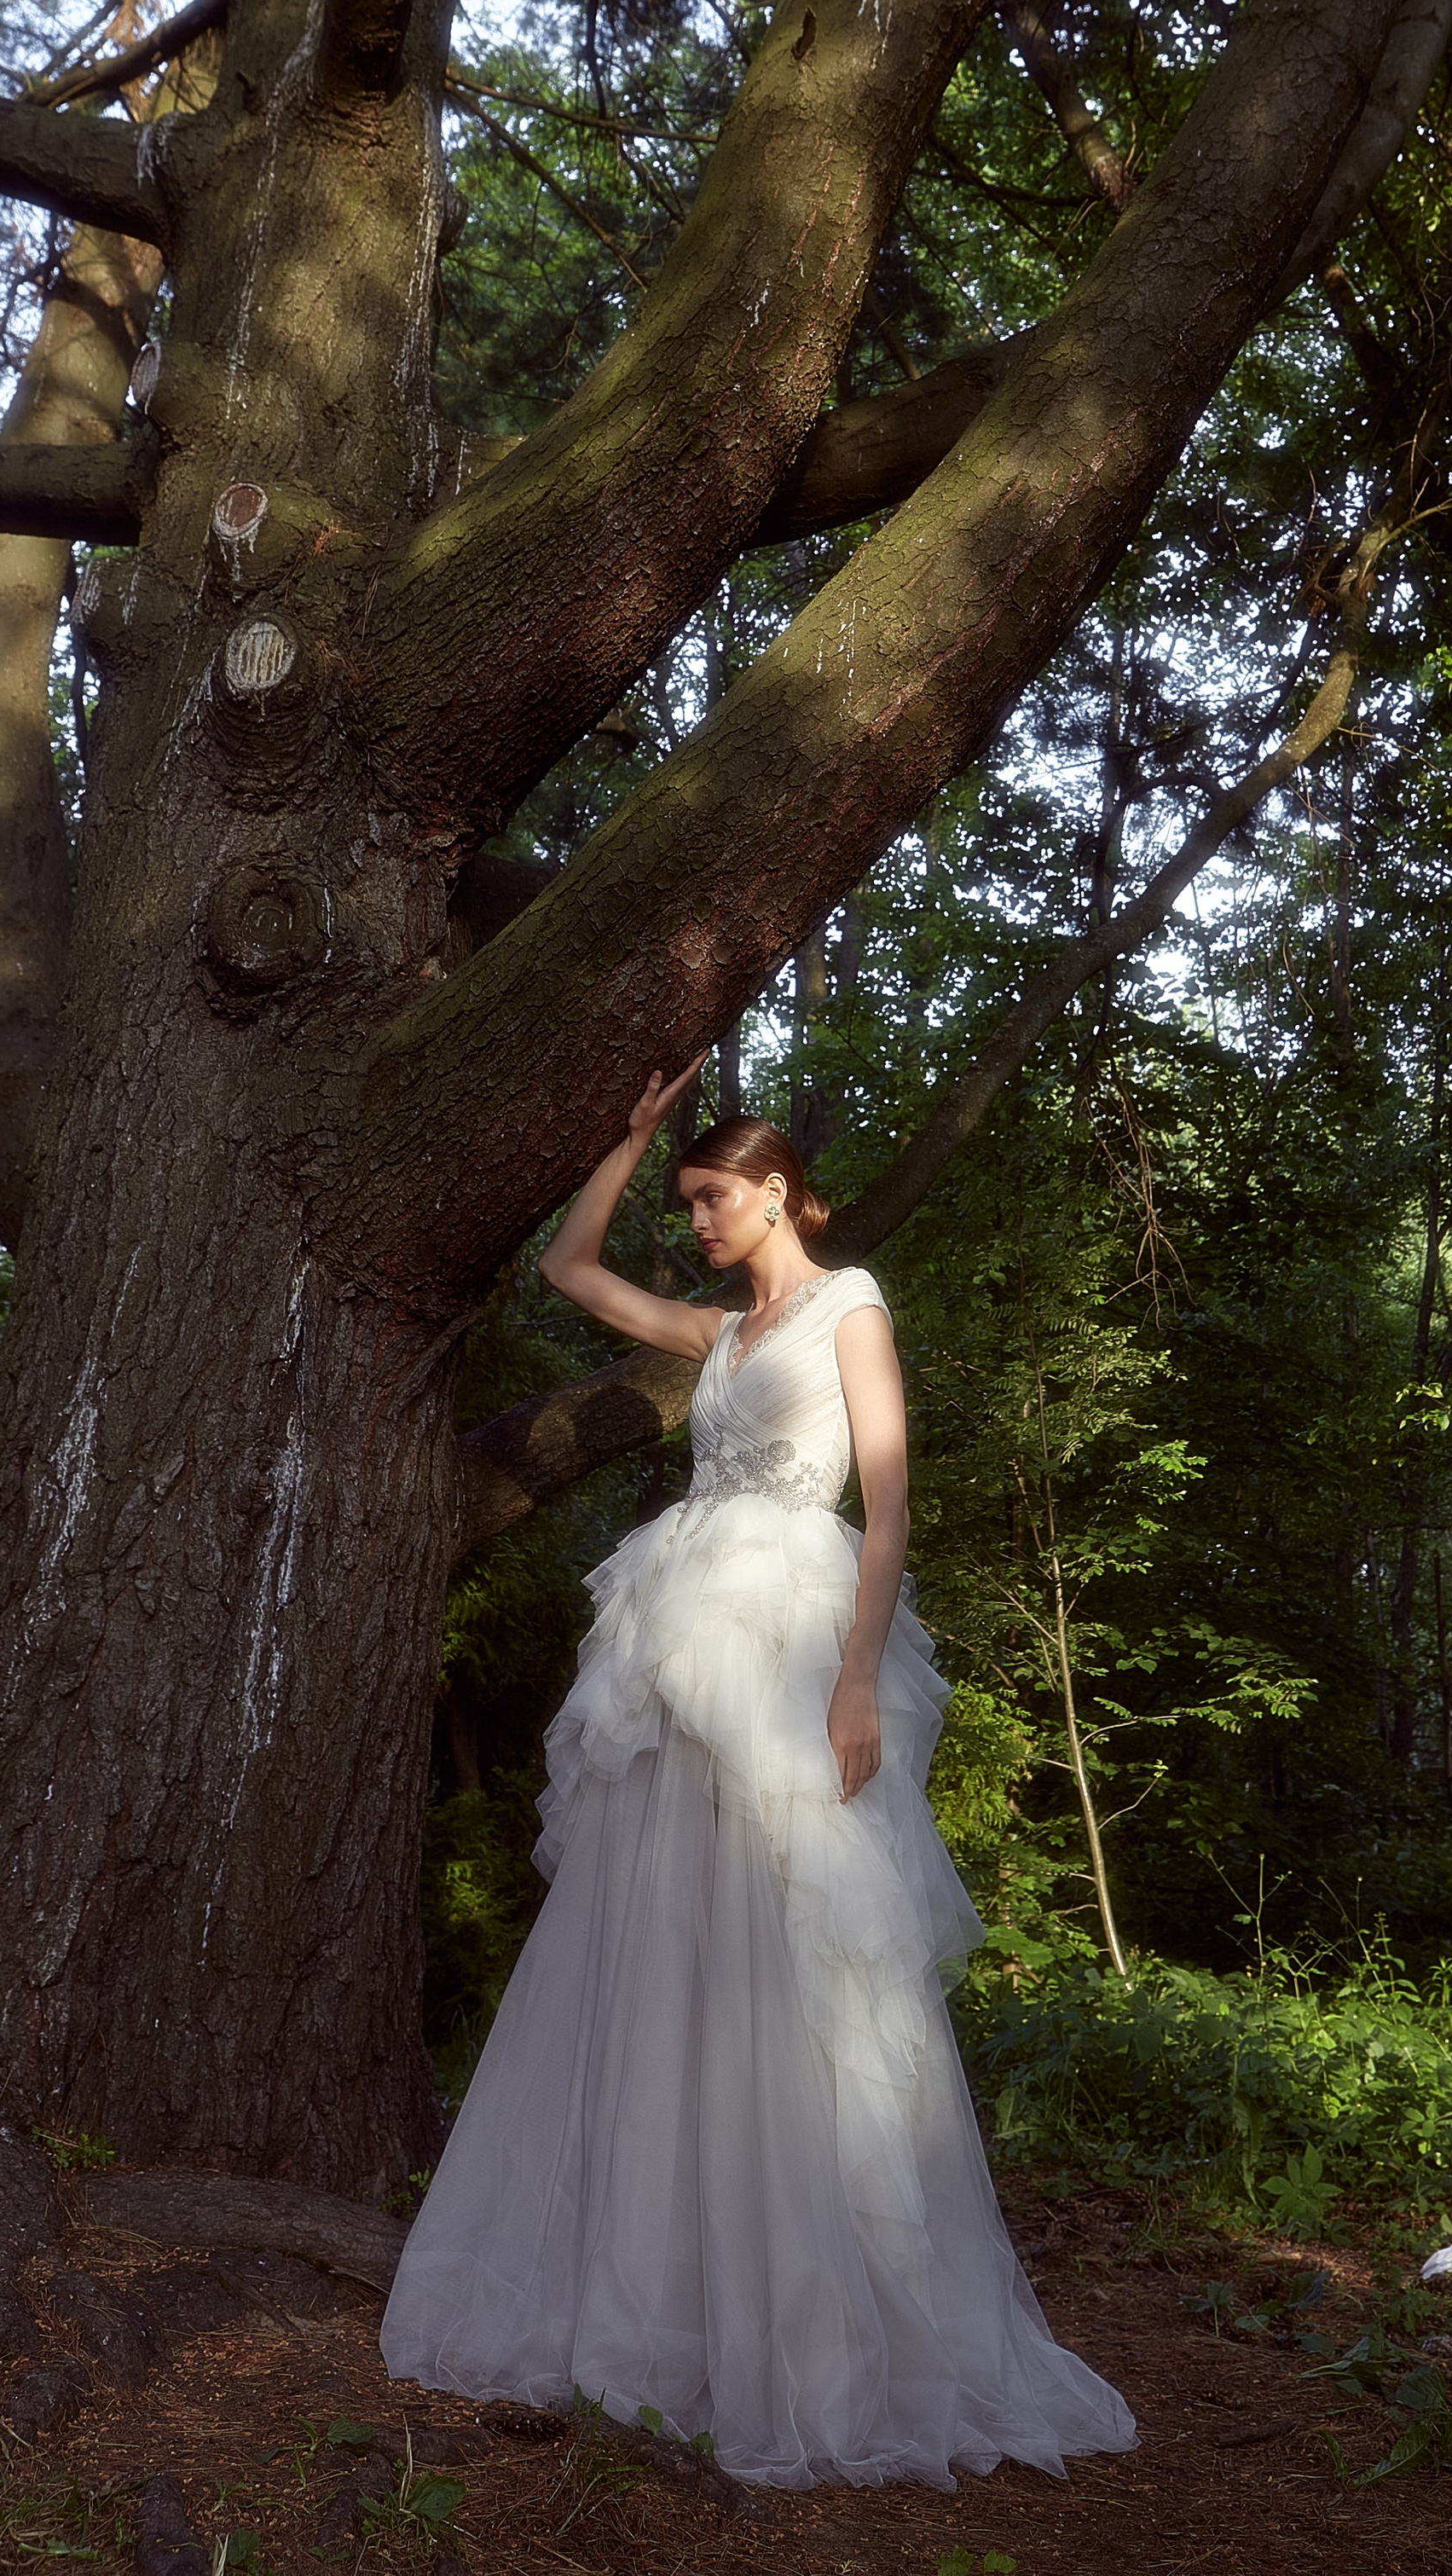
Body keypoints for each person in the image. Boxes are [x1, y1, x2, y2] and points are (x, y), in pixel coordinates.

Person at [381, 1065, 1137, 2492]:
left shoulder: (853, 1307)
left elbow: (892, 1500)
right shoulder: (718, 1335)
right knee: (668, 1938)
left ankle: (819, 2318)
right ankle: (670, 2295)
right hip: (681, 1640)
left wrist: (856, 1675)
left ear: (778, 1190)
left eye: (714, 1198)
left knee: (806, 1944)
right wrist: (621, 1141)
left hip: (793, 1641)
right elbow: (567, 1268)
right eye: (692, 1206)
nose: (703, 1225)